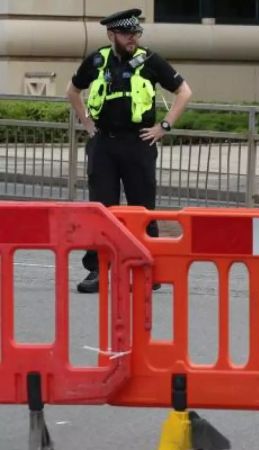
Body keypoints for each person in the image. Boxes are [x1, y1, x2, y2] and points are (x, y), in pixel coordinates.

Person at [66, 8, 192, 293]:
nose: (132, 38)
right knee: (102, 209)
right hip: (104, 145)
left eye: (135, 33)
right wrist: (86, 121)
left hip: (139, 143)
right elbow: (72, 91)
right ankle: (98, 270)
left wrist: (164, 126)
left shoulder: (149, 60)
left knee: (142, 208)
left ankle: (149, 269)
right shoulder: (98, 60)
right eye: (126, 33)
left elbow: (184, 91)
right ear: (112, 35)